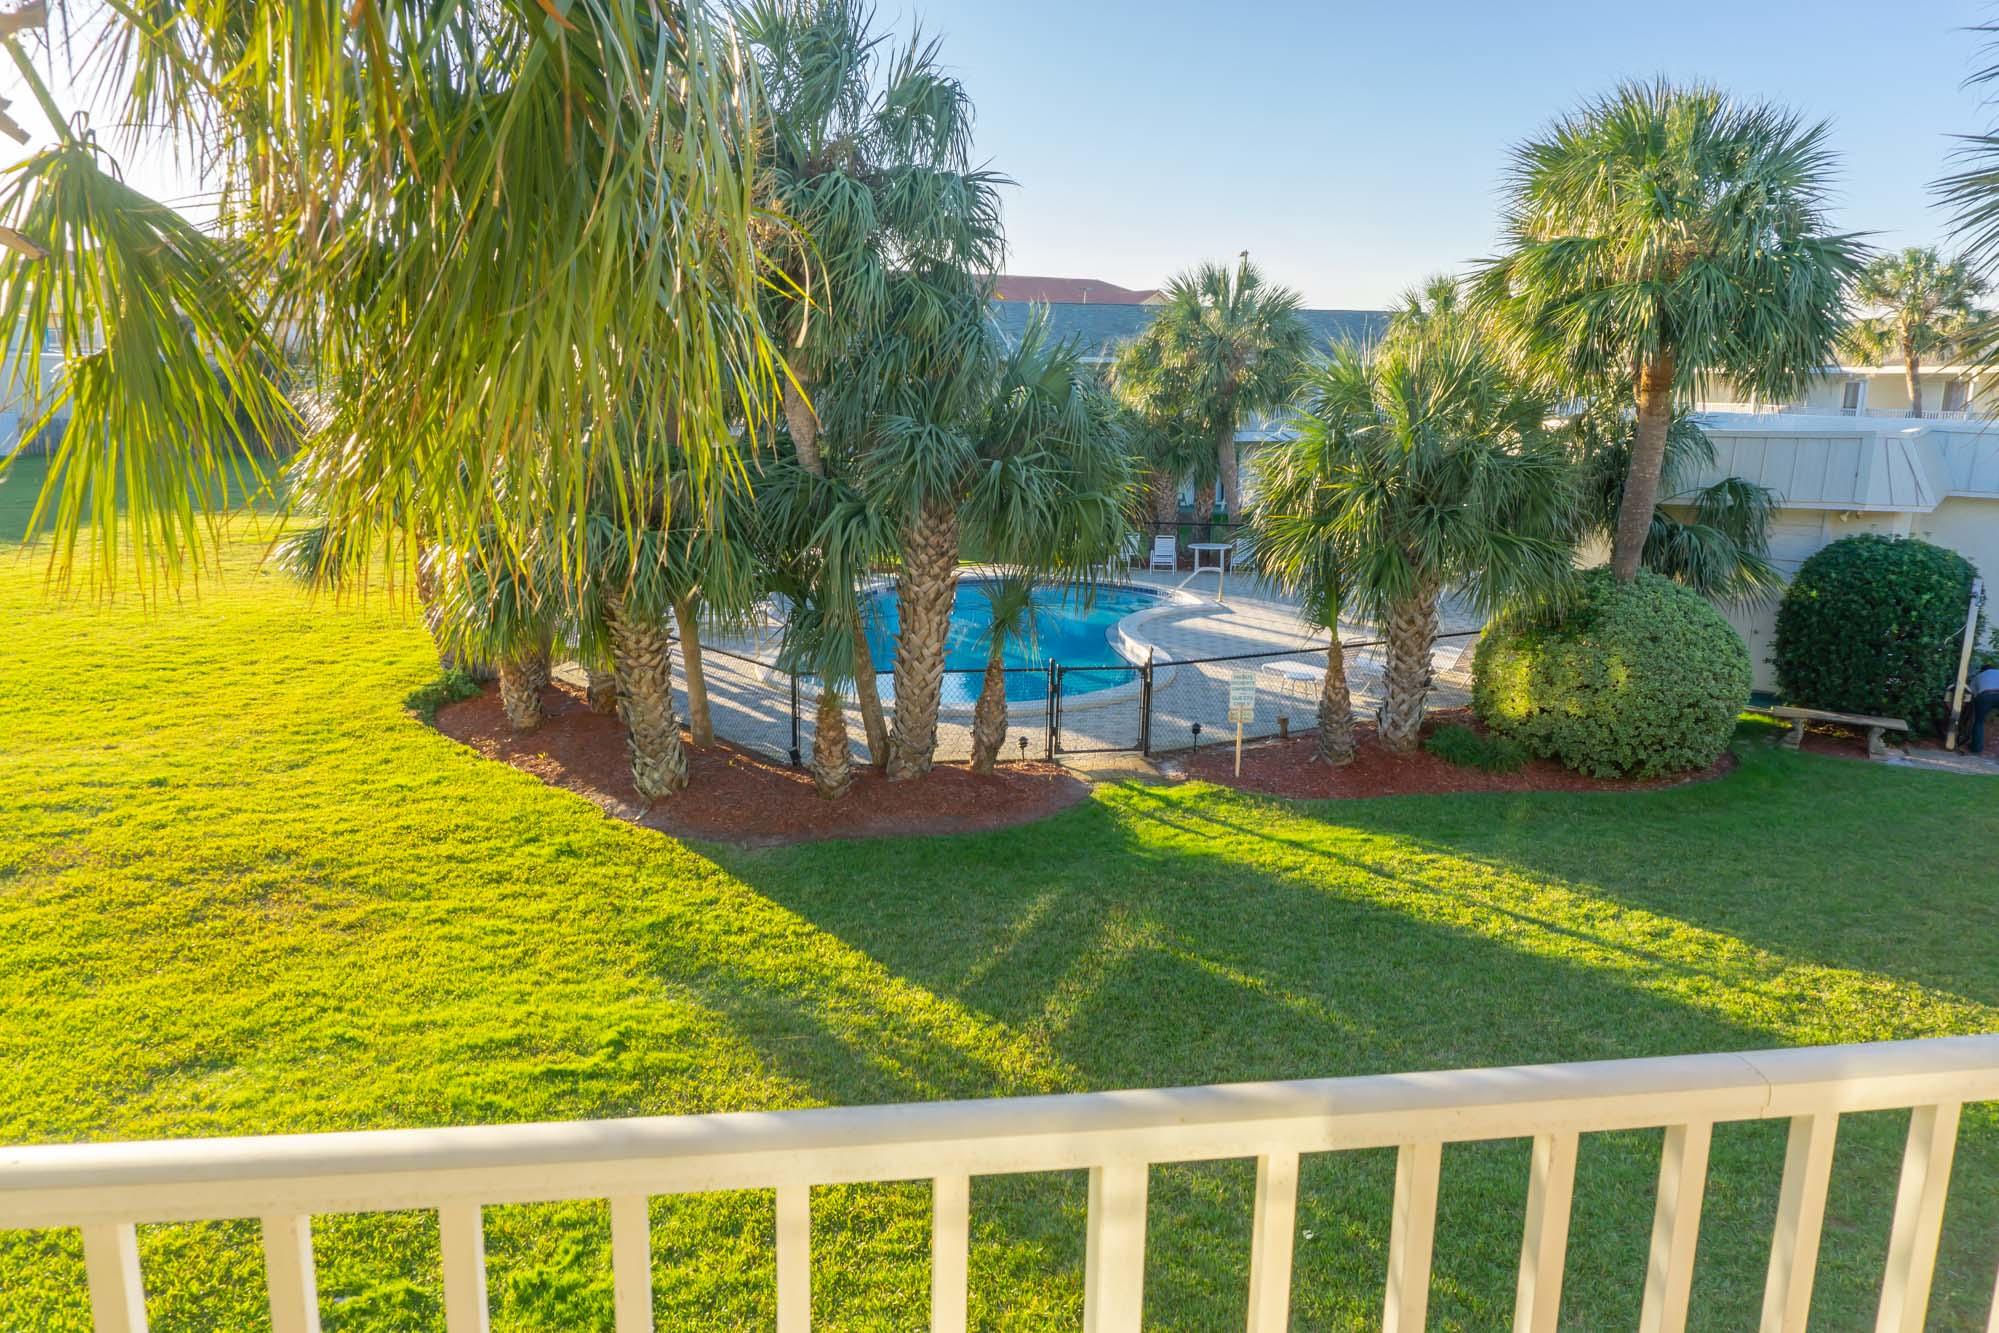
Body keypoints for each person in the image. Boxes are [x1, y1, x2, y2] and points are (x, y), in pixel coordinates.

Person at [1963, 664, 1999, 754]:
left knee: (1979, 722)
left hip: (1985, 696)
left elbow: (1971, 694)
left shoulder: (1977, 677)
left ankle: (1976, 749)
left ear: (1982, 671)